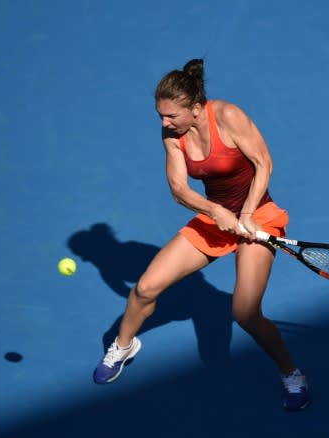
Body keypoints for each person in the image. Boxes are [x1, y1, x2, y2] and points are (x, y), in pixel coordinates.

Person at [92, 58, 310, 411]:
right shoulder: (172, 133)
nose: (164, 123)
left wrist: (249, 214)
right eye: (160, 115)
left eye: (170, 116)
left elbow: (263, 163)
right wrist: (216, 211)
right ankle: (123, 345)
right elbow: (179, 189)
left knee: (245, 313)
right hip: (216, 218)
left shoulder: (228, 116)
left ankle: (292, 374)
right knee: (146, 287)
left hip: (259, 216)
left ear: (195, 108)